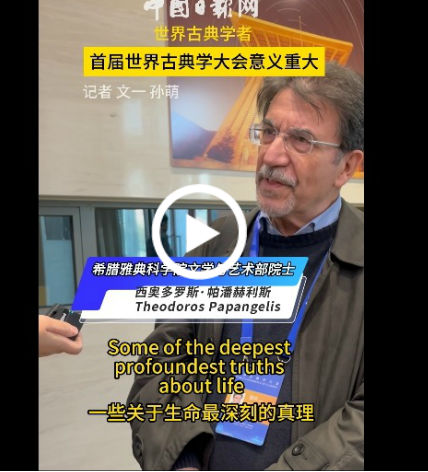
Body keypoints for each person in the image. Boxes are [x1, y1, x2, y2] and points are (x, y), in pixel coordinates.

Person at [127, 61, 364, 470]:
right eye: (268, 132)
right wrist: (182, 459)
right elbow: (160, 367)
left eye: (301, 140)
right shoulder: (213, 248)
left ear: (346, 166)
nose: (271, 155)